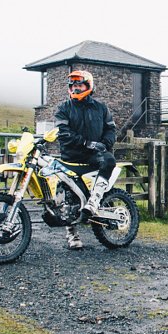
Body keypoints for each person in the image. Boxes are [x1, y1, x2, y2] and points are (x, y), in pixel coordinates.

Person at [54, 69, 117, 250]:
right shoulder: (64, 108)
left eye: (79, 84)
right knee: (66, 196)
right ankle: (72, 234)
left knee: (109, 161)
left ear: (88, 86)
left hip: (94, 155)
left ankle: (94, 201)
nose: (75, 88)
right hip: (71, 156)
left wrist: (105, 144)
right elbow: (63, 133)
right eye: (73, 85)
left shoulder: (101, 108)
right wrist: (87, 143)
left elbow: (110, 129)